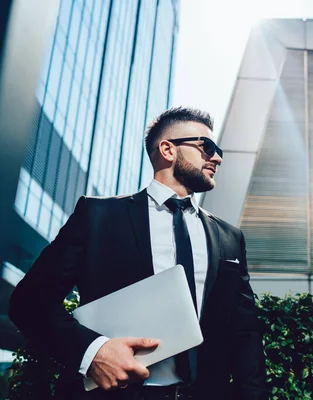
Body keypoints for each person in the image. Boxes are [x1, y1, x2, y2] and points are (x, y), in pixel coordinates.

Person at [9, 107, 268, 400]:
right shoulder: (97, 216)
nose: (217, 157)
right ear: (168, 149)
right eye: (207, 147)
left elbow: (245, 332)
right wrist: (93, 352)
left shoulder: (230, 237)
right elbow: (29, 301)